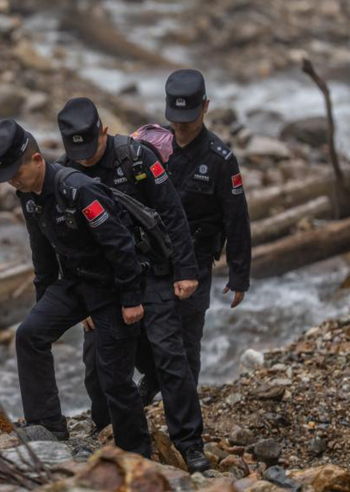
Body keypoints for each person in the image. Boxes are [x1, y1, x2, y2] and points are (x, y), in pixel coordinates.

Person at [56, 97, 210, 472]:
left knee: (170, 354)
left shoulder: (137, 158)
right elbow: (62, 240)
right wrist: (77, 301)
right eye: (78, 154)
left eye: (91, 151)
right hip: (101, 283)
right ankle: (108, 430)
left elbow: (172, 213)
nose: (86, 160)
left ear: (104, 131)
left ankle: (189, 443)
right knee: (98, 364)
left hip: (151, 271)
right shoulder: (65, 172)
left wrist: (186, 270)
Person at [0, 119, 151, 457]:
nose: (12, 180)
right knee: (30, 334)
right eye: (7, 176)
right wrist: (44, 308)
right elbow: (43, 257)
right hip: (75, 283)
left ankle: (137, 453)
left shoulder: (78, 189)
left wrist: (131, 298)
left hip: (112, 287)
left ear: (36, 160)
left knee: (113, 377)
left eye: (16, 172)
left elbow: (120, 245)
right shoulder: (28, 196)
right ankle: (47, 424)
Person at [137, 68, 252, 395]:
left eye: (189, 118)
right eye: (176, 118)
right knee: (144, 333)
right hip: (154, 259)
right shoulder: (151, 146)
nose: (182, 126)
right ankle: (152, 384)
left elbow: (237, 218)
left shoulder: (220, 159)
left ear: (205, 107)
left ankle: (186, 410)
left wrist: (239, 274)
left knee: (187, 340)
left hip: (197, 259)